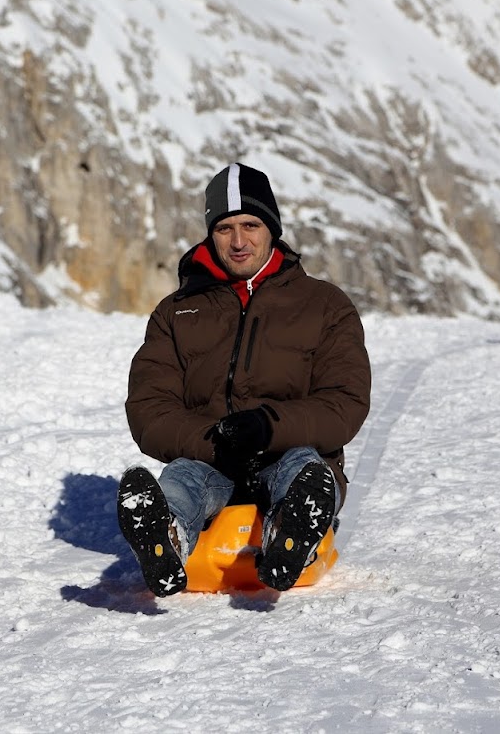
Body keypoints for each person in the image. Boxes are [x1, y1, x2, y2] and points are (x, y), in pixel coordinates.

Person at [117, 162, 371, 596]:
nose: (238, 241)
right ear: (209, 233)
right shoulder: (176, 312)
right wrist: (214, 439)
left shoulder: (325, 305)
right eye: (225, 228)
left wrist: (268, 427)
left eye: (251, 224)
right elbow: (149, 408)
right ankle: (165, 538)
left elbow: (344, 402)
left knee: (303, 469)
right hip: (208, 460)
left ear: (272, 228)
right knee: (180, 481)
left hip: (289, 453)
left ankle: (289, 538)